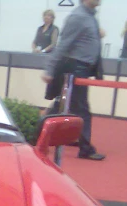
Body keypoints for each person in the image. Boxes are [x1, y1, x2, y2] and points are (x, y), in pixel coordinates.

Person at [42, 0, 105, 161]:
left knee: (63, 105)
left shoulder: (90, 17)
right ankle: (85, 148)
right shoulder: (78, 17)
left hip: (81, 68)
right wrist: (50, 69)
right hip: (75, 68)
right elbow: (62, 46)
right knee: (81, 109)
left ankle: (35, 131)